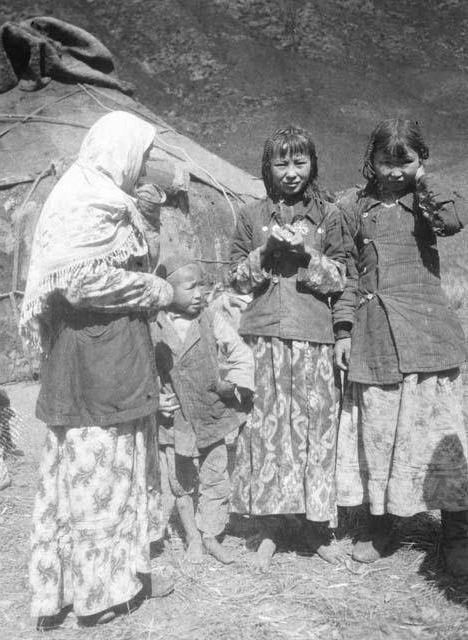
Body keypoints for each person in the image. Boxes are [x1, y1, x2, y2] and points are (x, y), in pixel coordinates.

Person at [19, 111, 175, 630]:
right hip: (92, 358)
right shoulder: (86, 199)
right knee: (97, 475)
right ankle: (93, 593)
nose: (148, 165)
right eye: (144, 154)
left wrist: (147, 221)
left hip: (111, 353)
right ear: (121, 150)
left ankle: (113, 579)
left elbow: (122, 261)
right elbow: (82, 285)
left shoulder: (110, 199)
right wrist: (156, 291)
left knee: (109, 472)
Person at [334, 118, 468, 574]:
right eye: (385, 162)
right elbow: (348, 272)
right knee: (380, 434)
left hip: (428, 334)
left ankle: (457, 535)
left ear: (419, 160)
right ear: (370, 160)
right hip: (376, 336)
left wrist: (425, 180)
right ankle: (383, 527)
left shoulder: (425, 201)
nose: (394, 172)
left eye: (405, 162)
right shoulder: (353, 206)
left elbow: (452, 221)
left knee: (441, 437)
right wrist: (343, 330)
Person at [229, 125, 348, 572]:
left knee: (315, 431)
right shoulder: (249, 214)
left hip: (313, 338)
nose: (292, 172)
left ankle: (316, 527)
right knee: (267, 433)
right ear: (268, 167)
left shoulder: (329, 216)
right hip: (263, 338)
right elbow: (235, 280)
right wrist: (263, 253)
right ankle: (269, 529)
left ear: (313, 163)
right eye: (282, 162)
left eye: (300, 162)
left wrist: (306, 255)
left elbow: (341, 278)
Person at [152, 254, 254, 564]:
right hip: (176, 420)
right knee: (180, 481)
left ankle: (211, 534)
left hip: (212, 413)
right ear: (168, 291)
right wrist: (155, 398)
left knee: (215, 475)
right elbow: (141, 371)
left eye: (201, 286)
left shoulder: (210, 318)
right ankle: (191, 538)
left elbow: (239, 352)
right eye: (190, 287)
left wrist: (235, 384)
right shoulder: (152, 328)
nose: (199, 293)